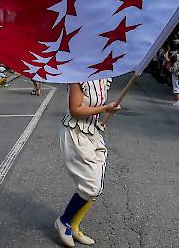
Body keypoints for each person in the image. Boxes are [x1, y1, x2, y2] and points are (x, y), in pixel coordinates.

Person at [55, 78, 121, 247]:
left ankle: (74, 226)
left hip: (92, 132)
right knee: (91, 185)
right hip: (75, 133)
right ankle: (64, 221)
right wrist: (105, 108)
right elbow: (76, 109)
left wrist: (105, 115)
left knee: (96, 185)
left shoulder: (103, 76)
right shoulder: (78, 76)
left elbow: (93, 108)